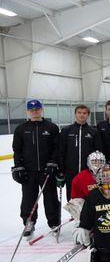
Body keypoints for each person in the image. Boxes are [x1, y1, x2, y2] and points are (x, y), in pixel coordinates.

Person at [12, 99, 61, 238]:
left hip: (47, 170)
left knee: (51, 198)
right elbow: (17, 150)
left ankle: (53, 222)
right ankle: (29, 222)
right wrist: (18, 167)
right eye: (32, 110)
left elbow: (56, 148)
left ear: (41, 110)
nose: (35, 112)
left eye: (37, 109)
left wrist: (53, 163)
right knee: (28, 199)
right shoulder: (21, 129)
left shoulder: (51, 127)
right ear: (28, 111)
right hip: (29, 171)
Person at [59, 104, 103, 200]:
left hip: (88, 171)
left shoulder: (93, 131)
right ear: (75, 114)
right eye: (79, 112)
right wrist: (61, 170)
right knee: (72, 197)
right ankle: (74, 215)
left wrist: (97, 169)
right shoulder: (66, 130)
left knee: (90, 196)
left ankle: (89, 215)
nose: (82, 115)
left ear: (88, 115)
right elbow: (61, 150)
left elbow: (98, 151)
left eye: (84, 113)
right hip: (70, 172)